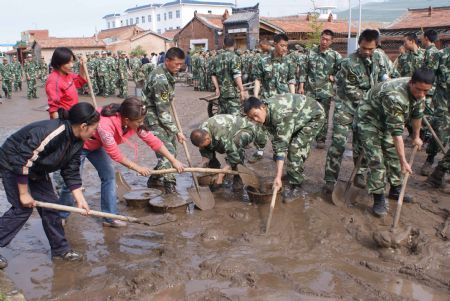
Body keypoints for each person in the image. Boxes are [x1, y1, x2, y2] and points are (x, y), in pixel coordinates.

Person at [0, 102, 100, 268]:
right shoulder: (52, 133)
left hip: (37, 169)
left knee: (51, 207)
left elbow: (71, 170)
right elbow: (23, 160)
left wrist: (80, 199)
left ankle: (61, 250)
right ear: (83, 126)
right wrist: (24, 194)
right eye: (94, 128)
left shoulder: (77, 141)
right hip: (12, 163)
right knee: (22, 208)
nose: (94, 133)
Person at [60, 97, 185, 227]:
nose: (141, 124)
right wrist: (137, 168)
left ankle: (109, 217)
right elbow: (115, 154)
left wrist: (173, 160)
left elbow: (152, 140)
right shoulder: (105, 126)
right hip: (78, 145)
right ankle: (61, 215)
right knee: (72, 182)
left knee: (109, 177)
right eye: (139, 121)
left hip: (96, 145)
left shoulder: (134, 122)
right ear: (126, 120)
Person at [357, 68, 434, 216]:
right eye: (419, 90)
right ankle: (378, 197)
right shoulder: (395, 97)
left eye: (426, 91)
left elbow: (417, 115)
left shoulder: (421, 91)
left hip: (387, 119)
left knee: (392, 155)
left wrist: (416, 136)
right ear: (411, 83)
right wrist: (404, 161)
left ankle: (395, 190)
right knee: (377, 159)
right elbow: (397, 134)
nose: (422, 94)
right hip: (369, 119)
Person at [323, 29, 388, 194]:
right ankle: (330, 179)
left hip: (368, 111)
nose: (367, 52)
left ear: (376, 46)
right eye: (364, 48)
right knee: (338, 144)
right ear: (359, 44)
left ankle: (360, 173)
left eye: (370, 49)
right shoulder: (349, 63)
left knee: (362, 144)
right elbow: (352, 91)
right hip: (347, 108)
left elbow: (387, 78)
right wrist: (374, 102)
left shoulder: (380, 58)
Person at [243, 94, 325, 203]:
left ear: (262, 107)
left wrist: (278, 177)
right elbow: (277, 142)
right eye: (251, 118)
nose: (255, 119)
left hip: (314, 116)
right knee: (294, 146)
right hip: (297, 116)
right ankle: (294, 170)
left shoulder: (279, 114)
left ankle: (297, 186)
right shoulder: (266, 114)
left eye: (256, 115)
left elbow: (281, 147)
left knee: (295, 148)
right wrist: (279, 174)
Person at [142, 47, 187, 193]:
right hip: (152, 118)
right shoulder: (160, 79)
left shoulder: (167, 73)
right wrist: (176, 131)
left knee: (170, 151)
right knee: (168, 150)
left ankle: (155, 178)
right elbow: (161, 112)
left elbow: (164, 105)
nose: (179, 67)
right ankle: (170, 186)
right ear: (167, 61)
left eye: (181, 64)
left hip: (160, 115)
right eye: (177, 64)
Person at [190, 114, 266, 190]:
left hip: (246, 129)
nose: (202, 147)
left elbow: (233, 155)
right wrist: (203, 163)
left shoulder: (221, 133)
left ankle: (238, 177)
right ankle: (214, 173)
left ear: (207, 138)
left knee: (236, 145)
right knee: (208, 149)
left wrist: (222, 174)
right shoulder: (201, 132)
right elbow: (204, 149)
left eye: (203, 144)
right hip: (222, 134)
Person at [299, 29, 342, 149]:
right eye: (322, 38)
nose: (324, 41)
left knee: (323, 115)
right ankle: (306, 136)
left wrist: (335, 77)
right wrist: (301, 86)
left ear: (331, 41)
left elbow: (342, 70)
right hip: (310, 89)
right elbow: (303, 70)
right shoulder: (310, 53)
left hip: (325, 91)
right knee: (307, 114)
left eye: (327, 40)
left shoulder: (335, 55)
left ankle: (321, 139)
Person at [421, 29, 445, 176]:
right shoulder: (442, 55)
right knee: (440, 130)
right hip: (443, 102)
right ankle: (430, 160)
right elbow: (428, 74)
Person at [46, 47, 87, 119]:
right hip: (65, 120)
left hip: (73, 115)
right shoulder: (54, 81)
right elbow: (54, 110)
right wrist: (61, 126)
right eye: (67, 62)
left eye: (72, 61)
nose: (72, 65)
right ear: (58, 63)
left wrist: (82, 66)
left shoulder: (68, 74)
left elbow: (80, 81)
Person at [211, 37, 246, 115]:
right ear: (234, 44)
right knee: (234, 119)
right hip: (232, 94)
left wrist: (217, 88)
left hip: (221, 93)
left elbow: (213, 75)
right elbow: (236, 75)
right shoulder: (235, 57)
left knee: (223, 117)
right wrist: (242, 90)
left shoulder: (216, 58)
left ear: (224, 44)